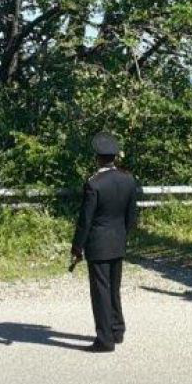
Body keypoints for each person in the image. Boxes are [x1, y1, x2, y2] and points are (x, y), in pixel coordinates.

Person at [71, 132, 139, 353]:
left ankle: (104, 339)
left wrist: (77, 247)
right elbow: (132, 216)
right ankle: (117, 330)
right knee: (114, 289)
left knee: (101, 291)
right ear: (114, 157)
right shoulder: (128, 179)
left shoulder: (94, 184)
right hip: (118, 242)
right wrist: (122, 235)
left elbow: (85, 220)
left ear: (97, 157)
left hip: (98, 245)